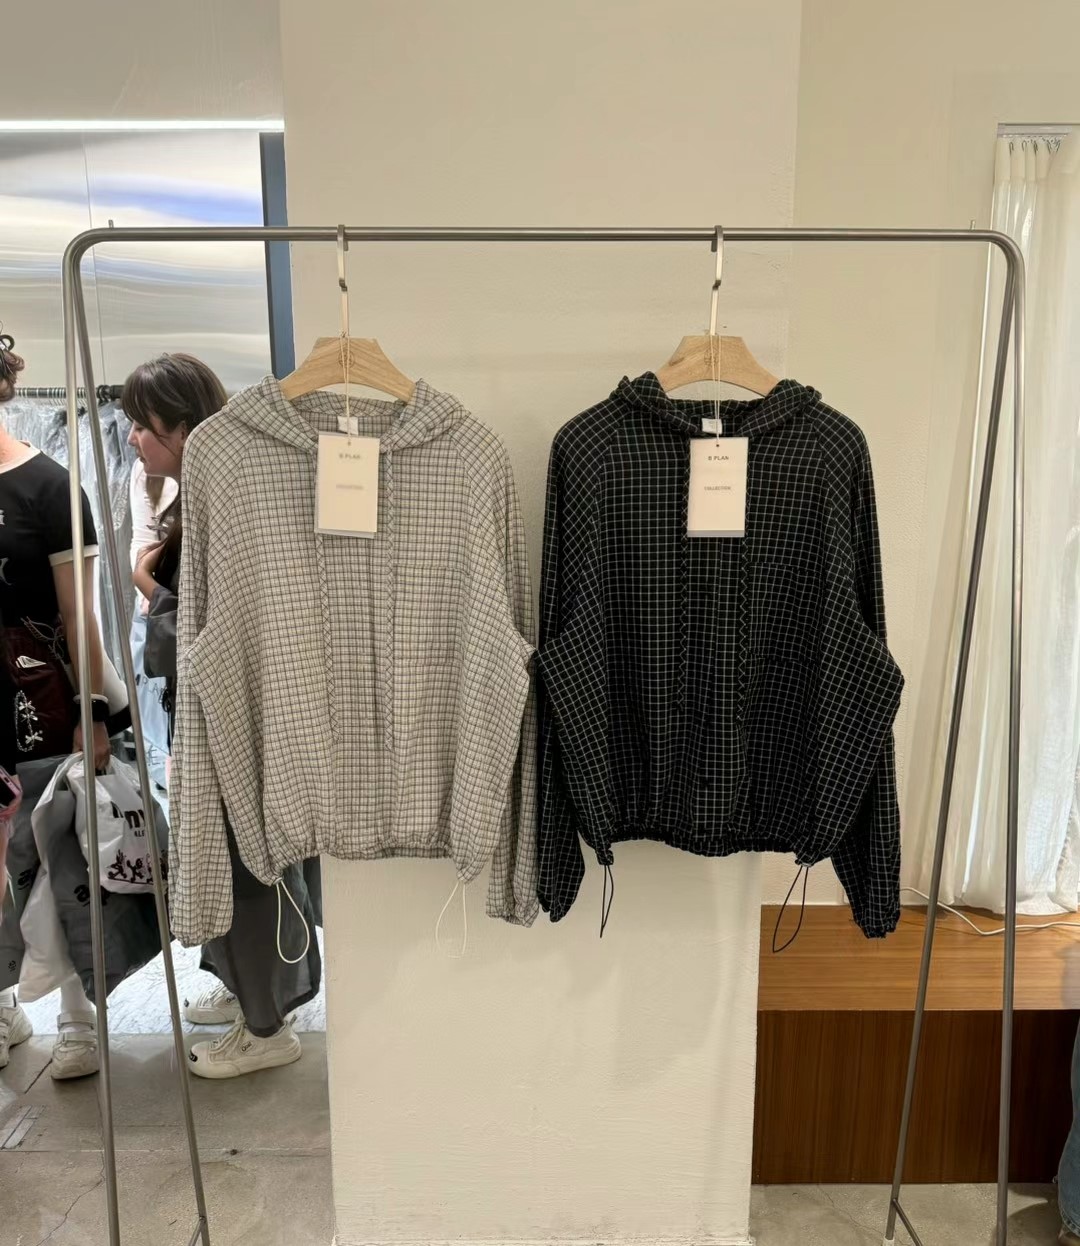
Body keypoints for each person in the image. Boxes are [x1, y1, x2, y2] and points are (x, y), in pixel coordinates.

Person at [125, 352, 322, 1079]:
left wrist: (148, 584)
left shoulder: (221, 501)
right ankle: (254, 998)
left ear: (179, 427)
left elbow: (213, 625)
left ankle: (267, 1027)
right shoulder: (208, 494)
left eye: (141, 425)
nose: (133, 441)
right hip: (225, 711)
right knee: (238, 861)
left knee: (246, 867)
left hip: (231, 717)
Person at [0, 331, 108, 1079]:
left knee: (53, 854)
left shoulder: (49, 487)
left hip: (38, 696)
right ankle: (4, 1005)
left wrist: (93, 710)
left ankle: (77, 1012)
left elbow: (80, 615)